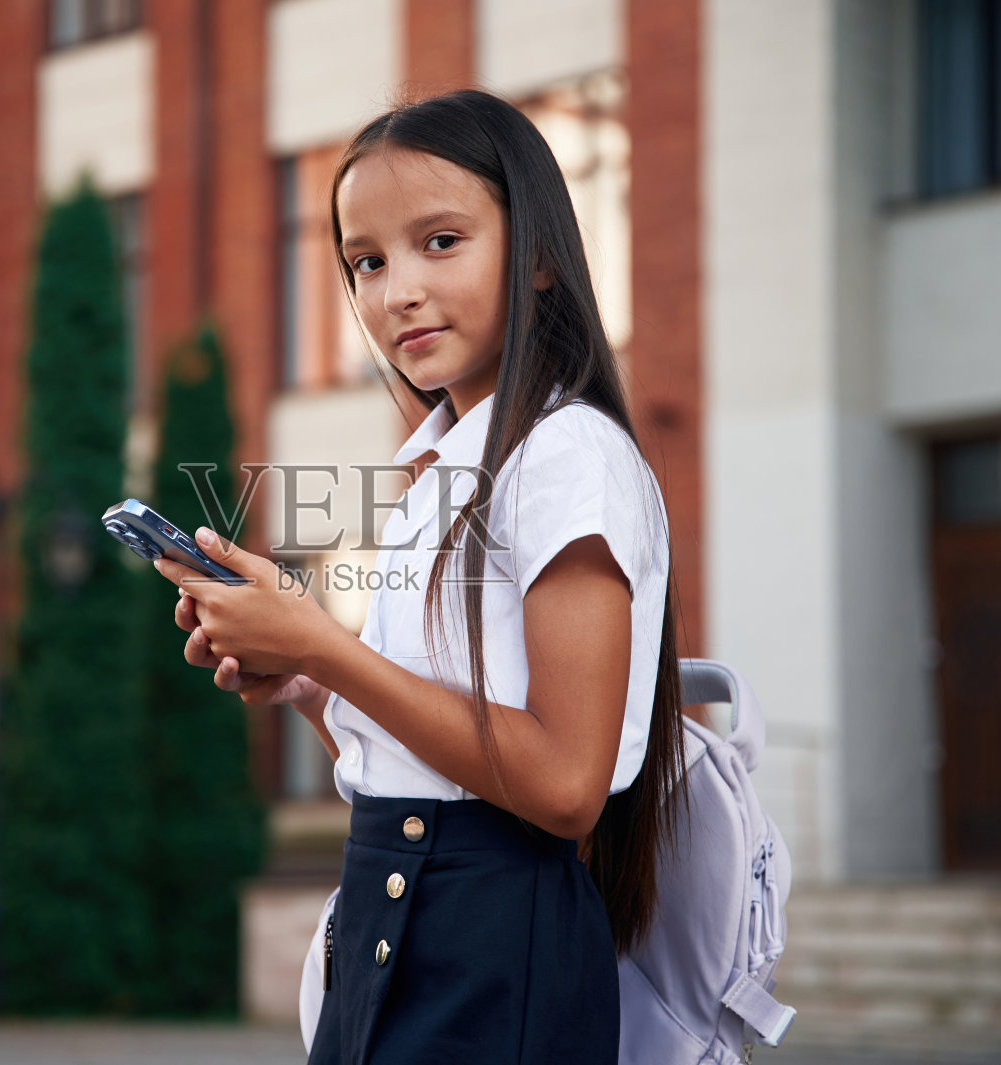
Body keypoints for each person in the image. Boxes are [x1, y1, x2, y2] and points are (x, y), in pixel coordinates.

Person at [149, 89, 686, 1065]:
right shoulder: (441, 471)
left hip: (493, 945)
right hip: (391, 925)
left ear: (538, 256)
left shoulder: (567, 454)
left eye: (440, 241)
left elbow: (564, 785)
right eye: (366, 260)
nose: (395, 290)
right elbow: (429, 756)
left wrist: (324, 646)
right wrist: (312, 682)